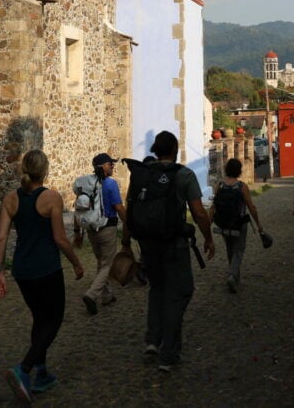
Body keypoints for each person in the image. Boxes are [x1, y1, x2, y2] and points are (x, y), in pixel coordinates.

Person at [0, 149, 85, 403]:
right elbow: (60, 239)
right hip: (46, 269)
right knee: (53, 320)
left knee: (39, 318)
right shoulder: (51, 198)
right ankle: (23, 369)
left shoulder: (10, 199)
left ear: (23, 169)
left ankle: (42, 374)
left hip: (22, 270)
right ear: (45, 171)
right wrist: (77, 263)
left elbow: (1, 237)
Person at [122, 131, 215, 372]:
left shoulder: (143, 174)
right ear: (175, 150)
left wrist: (125, 242)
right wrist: (208, 237)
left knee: (157, 290)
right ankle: (169, 353)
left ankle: (153, 340)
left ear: (155, 149)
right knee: (180, 293)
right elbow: (198, 212)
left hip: (147, 244)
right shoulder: (183, 174)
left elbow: (131, 208)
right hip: (174, 245)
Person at [74, 152, 126, 315]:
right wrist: (128, 224)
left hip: (91, 230)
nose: (113, 166)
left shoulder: (87, 184)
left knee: (101, 261)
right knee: (107, 264)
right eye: (110, 164)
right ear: (103, 166)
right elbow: (118, 207)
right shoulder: (110, 184)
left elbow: (78, 208)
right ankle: (91, 294)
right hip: (107, 228)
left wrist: (77, 232)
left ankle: (107, 295)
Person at [209, 157, 265, 293]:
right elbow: (251, 207)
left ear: (227, 170)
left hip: (223, 223)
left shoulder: (219, 185)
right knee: (238, 250)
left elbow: (213, 207)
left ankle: (234, 276)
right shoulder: (242, 187)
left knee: (230, 249)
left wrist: (208, 224)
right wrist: (259, 225)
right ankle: (233, 276)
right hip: (239, 224)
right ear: (239, 171)